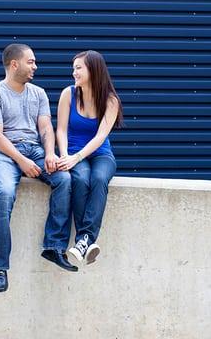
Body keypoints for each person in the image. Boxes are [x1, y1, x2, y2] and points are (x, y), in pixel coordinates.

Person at [0, 43, 77, 293]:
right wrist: (22, 162)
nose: (35, 66)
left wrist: (49, 154)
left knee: (64, 179)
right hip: (2, 153)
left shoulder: (39, 93)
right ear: (14, 64)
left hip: (33, 149)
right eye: (30, 62)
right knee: (4, 192)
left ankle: (54, 246)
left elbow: (45, 128)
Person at [56, 50, 123, 266]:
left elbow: (101, 136)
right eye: (73, 68)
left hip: (101, 153)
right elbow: (61, 130)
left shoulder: (110, 100)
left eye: (78, 68)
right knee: (81, 179)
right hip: (73, 153)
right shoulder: (68, 94)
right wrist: (65, 155)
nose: (74, 72)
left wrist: (76, 157)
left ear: (93, 70)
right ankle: (87, 240)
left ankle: (83, 239)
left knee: (99, 179)